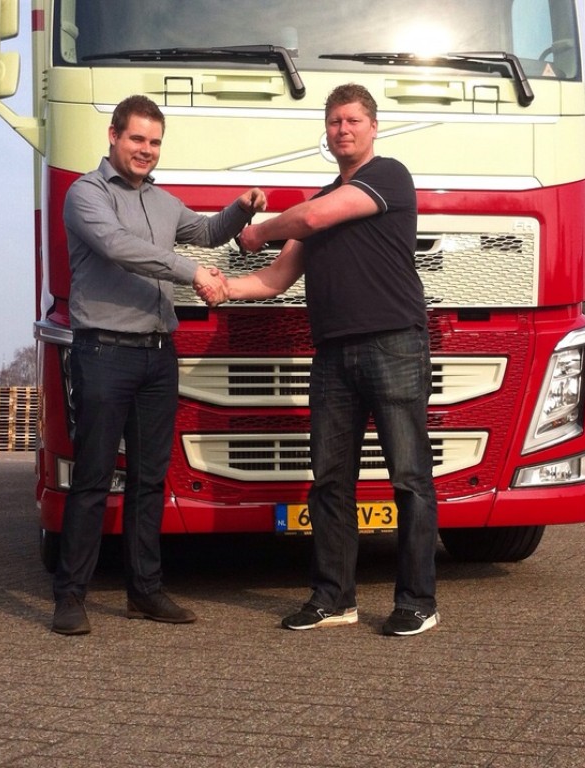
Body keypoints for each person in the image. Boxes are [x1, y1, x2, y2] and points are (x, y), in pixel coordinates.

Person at [222, 83, 440, 637]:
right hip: (333, 354)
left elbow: (313, 220)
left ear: (373, 127)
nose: (342, 129)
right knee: (329, 482)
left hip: (394, 344)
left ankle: (418, 602)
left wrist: (257, 232)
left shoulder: (388, 176)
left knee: (409, 479)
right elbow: (275, 279)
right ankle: (334, 598)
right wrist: (222, 287)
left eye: (352, 120)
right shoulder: (316, 202)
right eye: (334, 121)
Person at [52, 95, 265, 635]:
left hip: (157, 356)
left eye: (154, 142)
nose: (145, 150)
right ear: (113, 136)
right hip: (103, 353)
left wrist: (242, 207)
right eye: (137, 139)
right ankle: (70, 597)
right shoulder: (86, 194)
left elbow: (209, 232)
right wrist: (192, 273)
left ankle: (144, 592)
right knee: (94, 477)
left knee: (150, 480)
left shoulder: (164, 203)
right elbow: (118, 247)